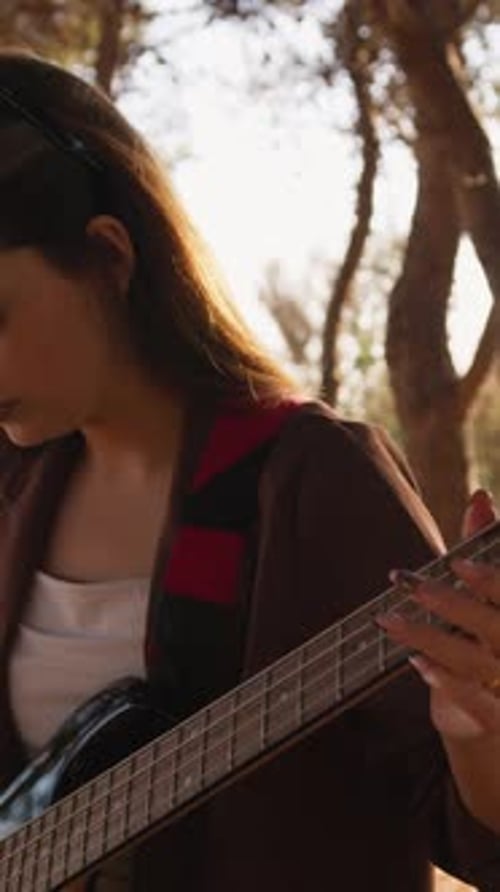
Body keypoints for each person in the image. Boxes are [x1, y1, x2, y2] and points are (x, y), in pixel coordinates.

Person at [0, 48, 498, 892]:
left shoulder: (310, 477)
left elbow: (472, 834)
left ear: (109, 257)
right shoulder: (15, 489)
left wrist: (478, 726)